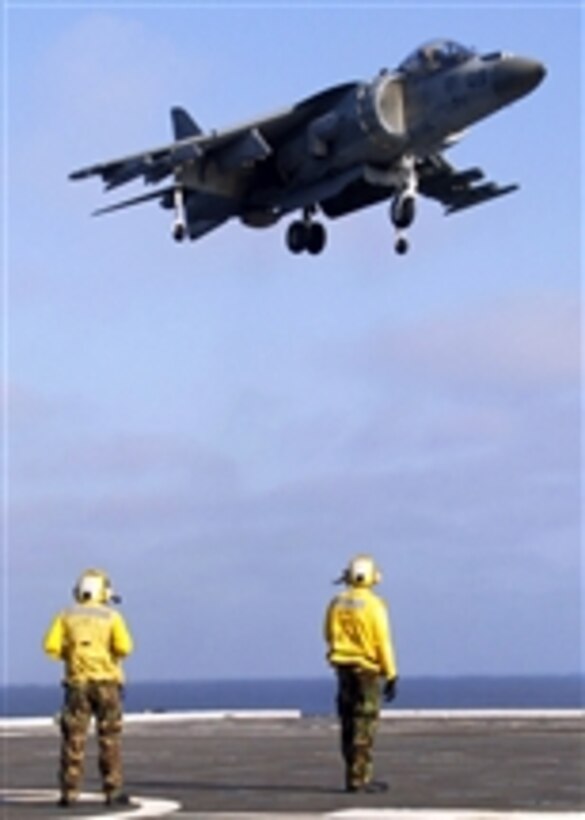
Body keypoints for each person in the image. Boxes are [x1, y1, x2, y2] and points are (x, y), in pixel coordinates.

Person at [43, 568, 134, 808]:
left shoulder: (65, 615)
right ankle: (112, 790)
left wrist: (72, 655)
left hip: (77, 684)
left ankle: (69, 791)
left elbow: (50, 646)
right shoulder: (111, 617)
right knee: (109, 738)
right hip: (107, 683)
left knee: (73, 737)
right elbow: (124, 648)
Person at [324, 554, 398, 793]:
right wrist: (391, 673)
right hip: (366, 669)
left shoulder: (337, 602)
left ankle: (351, 774)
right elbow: (382, 641)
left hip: (343, 667)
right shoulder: (375, 605)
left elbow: (327, 633)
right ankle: (360, 777)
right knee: (364, 723)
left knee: (347, 720)